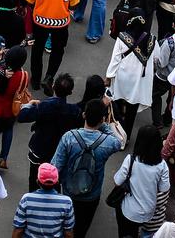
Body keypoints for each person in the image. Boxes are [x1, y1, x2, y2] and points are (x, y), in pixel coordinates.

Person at [51, 98, 124, 236]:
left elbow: (56, 166)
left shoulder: (69, 137)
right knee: (82, 227)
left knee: (66, 224)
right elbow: (119, 142)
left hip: (68, 191)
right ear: (102, 119)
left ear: (84, 115)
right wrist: (104, 125)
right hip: (92, 194)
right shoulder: (108, 142)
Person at [26, 0, 80, 94]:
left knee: (37, 50)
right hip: (61, 23)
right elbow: (75, 3)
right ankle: (49, 77)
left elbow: (29, 0)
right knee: (57, 50)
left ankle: (35, 80)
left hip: (40, 22)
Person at [18, 74, 82, 192]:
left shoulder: (45, 106)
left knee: (34, 178)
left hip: (39, 149)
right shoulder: (74, 111)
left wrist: (28, 105)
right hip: (59, 152)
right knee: (55, 179)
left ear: (53, 86)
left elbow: (22, 117)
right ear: (70, 92)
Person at [113, 125, 171, 238]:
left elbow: (117, 182)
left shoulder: (131, 160)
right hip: (148, 212)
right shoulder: (162, 165)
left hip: (129, 212)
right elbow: (164, 188)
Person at [106, 14, 156, 137]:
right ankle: (126, 136)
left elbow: (115, 59)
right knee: (131, 110)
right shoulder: (152, 40)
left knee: (117, 104)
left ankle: (116, 133)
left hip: (122, 77)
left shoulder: (122, 37)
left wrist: (108, 76)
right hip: (138, 80)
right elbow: (157, 59)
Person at [13, 163, 76, 238]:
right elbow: (68, 232)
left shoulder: (26, 199)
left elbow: (18, 229)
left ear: (37, 181)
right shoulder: (66, 202)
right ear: (57, 182)